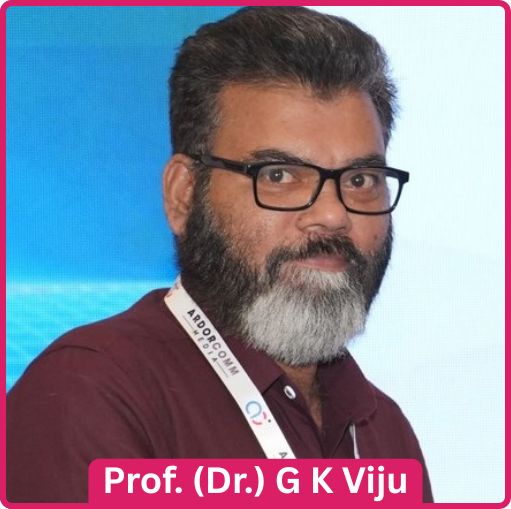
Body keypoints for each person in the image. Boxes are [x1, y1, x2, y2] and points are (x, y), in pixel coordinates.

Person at [7, 6, 433, 503]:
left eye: (360, 180)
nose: (333, 215)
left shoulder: (382, 431)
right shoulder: (91, 394)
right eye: (279, 175)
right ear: (184, 195)